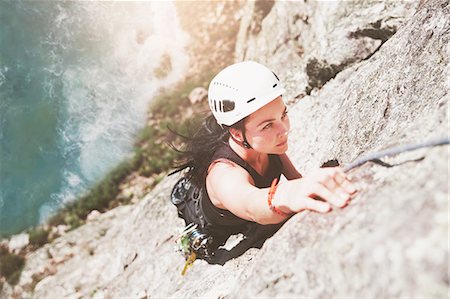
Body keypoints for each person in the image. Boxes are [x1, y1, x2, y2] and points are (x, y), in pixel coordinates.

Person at [172, 61, 356, 264]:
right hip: (207, 220)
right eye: (268, 125)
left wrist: (309, 187)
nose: (283, 130)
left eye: (283, 115)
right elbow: (251, 204)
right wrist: (290, 194)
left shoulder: (267, 144)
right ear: (235, 132)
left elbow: (297, 179)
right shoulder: (224, 174)